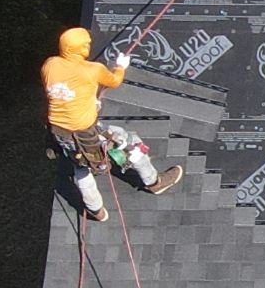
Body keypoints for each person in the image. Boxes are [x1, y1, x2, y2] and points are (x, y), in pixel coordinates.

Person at [42, 27, 181, 220]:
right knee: (130, 142)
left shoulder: (50, 64)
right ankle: (154, 182)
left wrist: (90, 102)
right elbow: (114, 81)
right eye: (87, 44)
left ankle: (96, 210)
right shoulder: (93, 70)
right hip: (86, 133)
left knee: (79, 166)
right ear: (81, 48)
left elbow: (66, 92)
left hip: (59, 133)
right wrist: (121, 66)